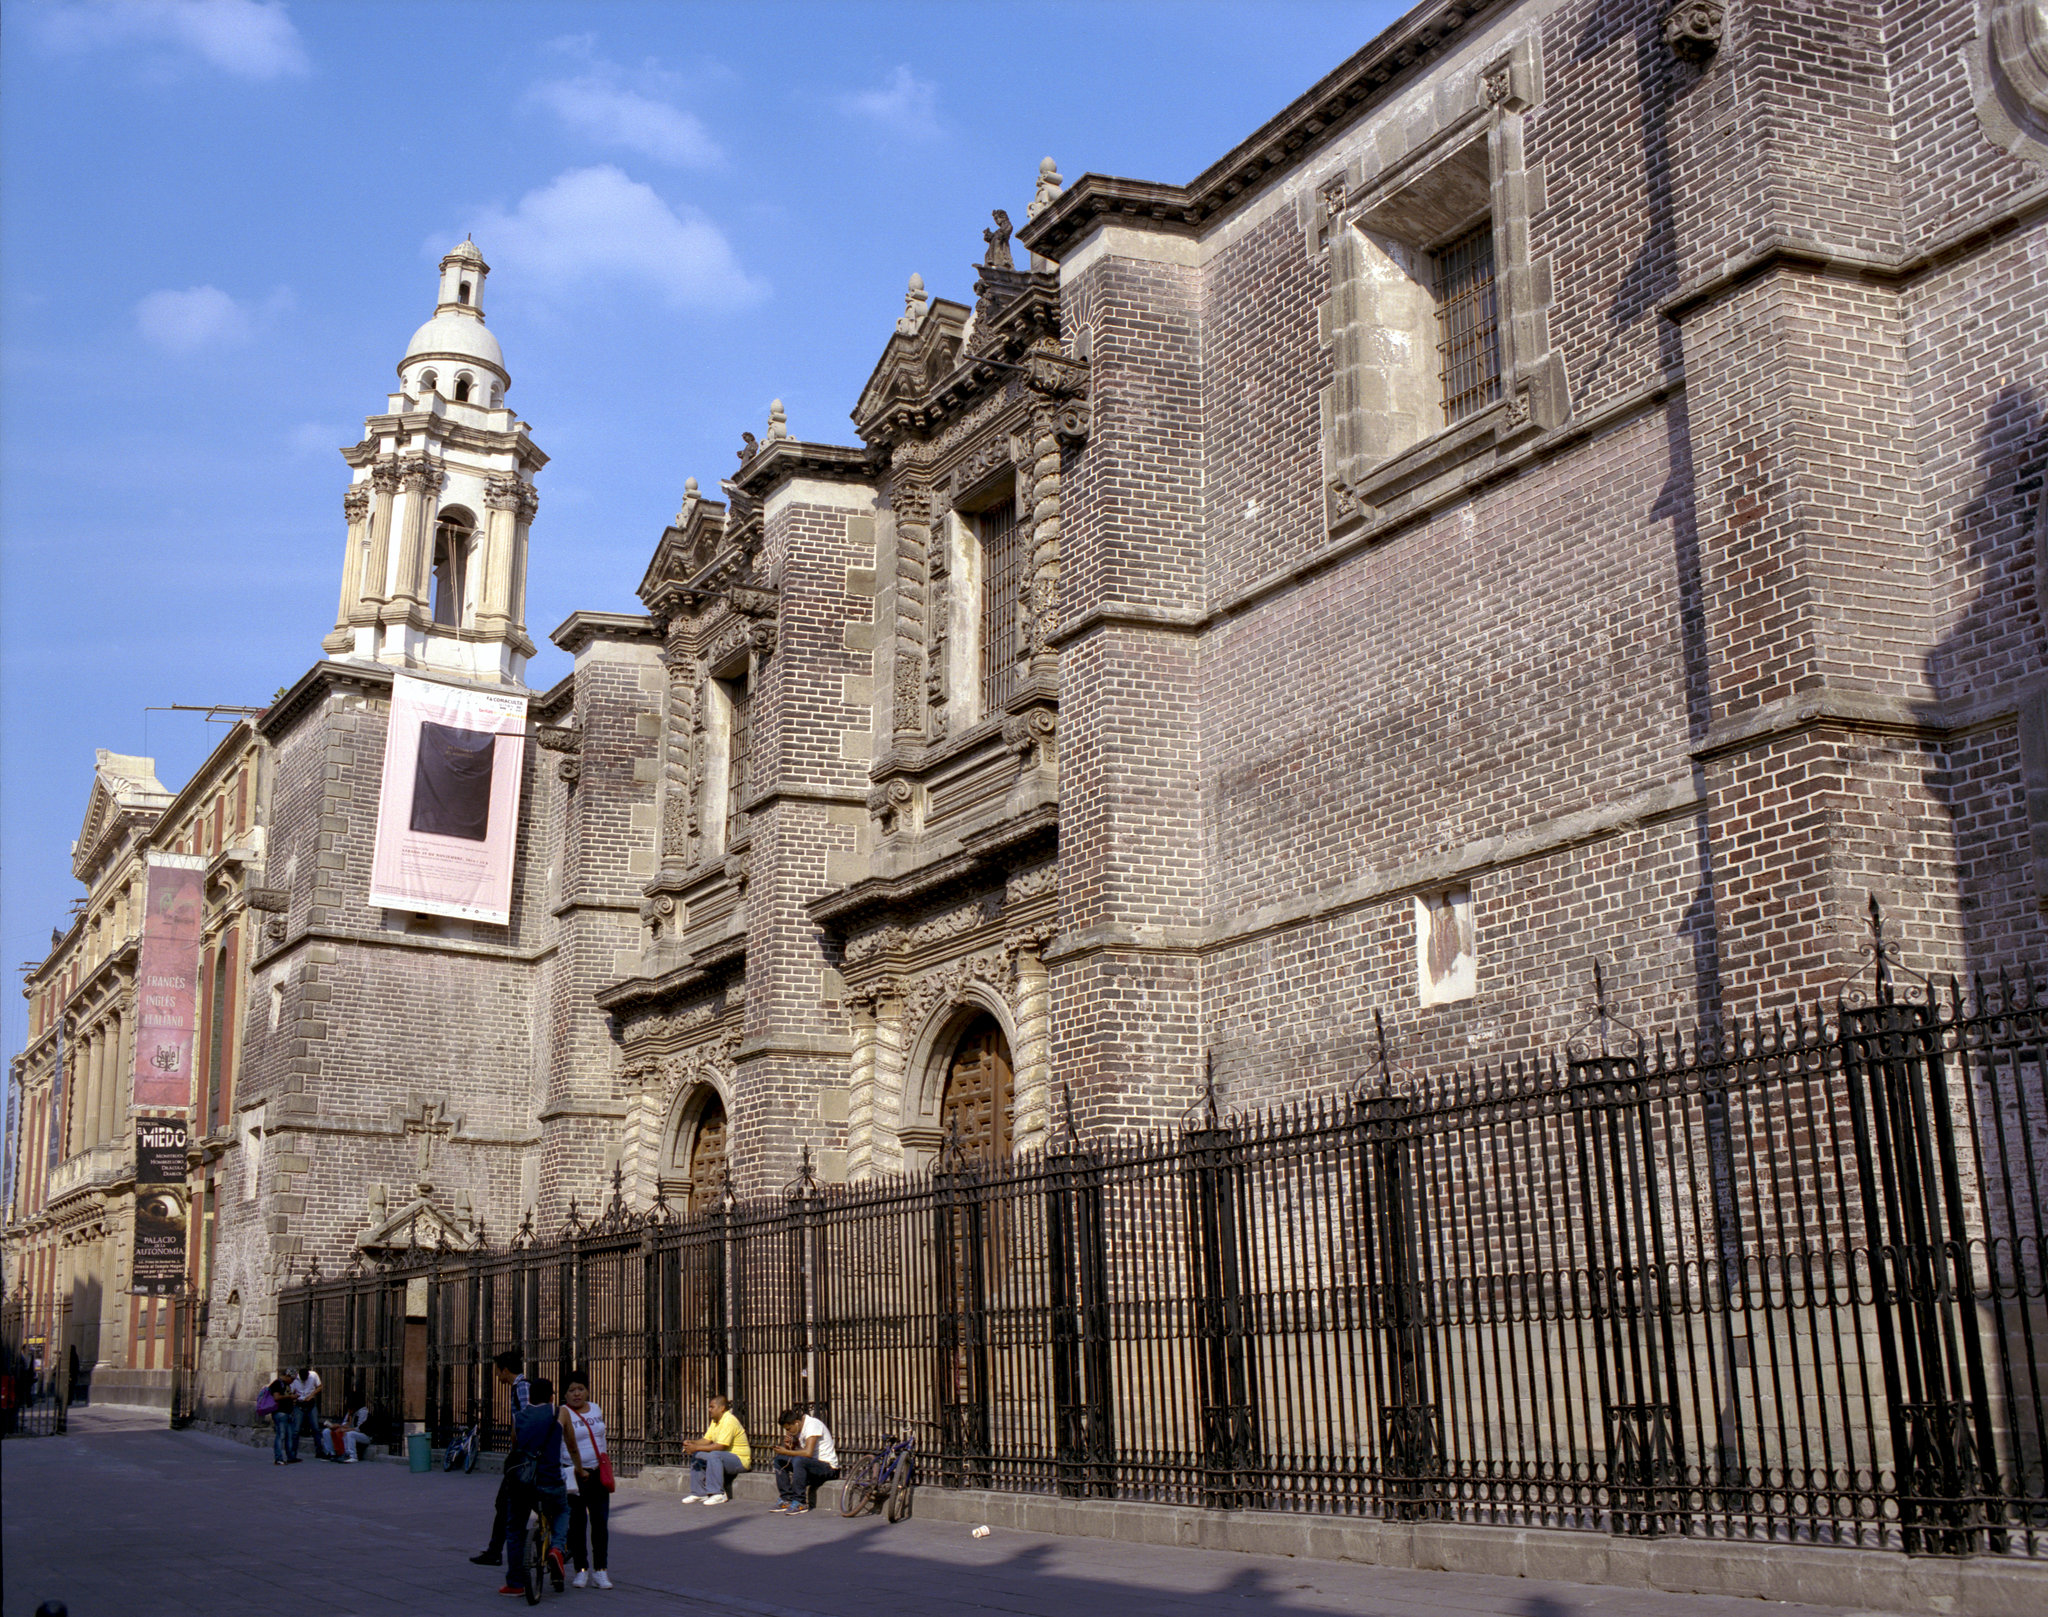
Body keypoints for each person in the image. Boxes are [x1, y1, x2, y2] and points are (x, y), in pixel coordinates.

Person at [497, 1376, 569, 1597]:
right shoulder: (558, 1412)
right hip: (550, 1480)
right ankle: (557, 1548)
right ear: (550, 1396)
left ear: (530, 1396)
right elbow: (572, 1446)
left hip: (523, 1483)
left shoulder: (519, 1417)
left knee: (514, 1527)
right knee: (562, 1510)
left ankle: (515, 1582)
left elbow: (516, 1446)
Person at [470, 1352, 534, 1568]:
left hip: (523, 1459)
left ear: (505, 1370)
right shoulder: (517, 1388)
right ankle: (497, 1549)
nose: (496, 1375)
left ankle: (504, 1550)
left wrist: (517, 1451)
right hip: (520, 1457)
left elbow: (526, 1419)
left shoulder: (522, 1387)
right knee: (506, 1504)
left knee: (512, 1504)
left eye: (497, 1370)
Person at [558, 1375, 613, 1589]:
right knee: (577, 1524)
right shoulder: (563, 1413)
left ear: (587, 1391)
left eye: (580, 1389)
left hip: (598, 1472)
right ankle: (581, 1569)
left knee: (600, 1522)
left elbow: (600, 1437)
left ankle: (601, 1570)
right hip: (574, 1472)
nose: (577, 1393)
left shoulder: (596, 1408)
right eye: (571, 1390)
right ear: (565, 1395)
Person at [680, 1392, 750, 1505]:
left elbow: (720, 1446)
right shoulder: (715, 1421)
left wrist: (696, 1447)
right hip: (723, 1458)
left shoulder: (729, 1421)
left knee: (714, 1454)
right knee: (697, 1455)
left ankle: (718, 1493)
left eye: (712, 1407)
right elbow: (707, 1440)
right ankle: (699, 1493)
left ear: (722, 1408)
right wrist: (692, 1443)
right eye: (709, 1407)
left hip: (740, 1460)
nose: (709, 1409)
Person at [771, 1406, 839, 1514]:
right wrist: (791, 1446)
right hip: (812, 1465)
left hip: (828, 1468)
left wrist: (786, 1452)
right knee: (779, 1460)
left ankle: (800, 1501)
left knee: (799, 1460)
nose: (788, 1432)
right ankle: (786, 1498)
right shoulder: (799, 1429)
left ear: (796, 1422)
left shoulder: (812, 1425)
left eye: (789, 1429)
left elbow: (808, 1453)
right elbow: (801, 1453)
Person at [325, 1389, 373, 1462]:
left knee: (350, 1434)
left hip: (364, 1435)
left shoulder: (363, 1412)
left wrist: (345, 1429)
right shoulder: (350, 1411)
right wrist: (337, 1426)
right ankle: (332, 1453)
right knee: (326, 1431)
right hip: (351, 1431)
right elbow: (345, 1423)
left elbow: (359, 1429)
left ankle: (351, 1455)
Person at [266, 1369, 301, 1465]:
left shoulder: (286, 1384)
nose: (293, 1381)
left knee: (289, 1436)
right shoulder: (277, 1384)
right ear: (287, 1376)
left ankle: (290, 1457)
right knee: (281, 1435)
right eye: (292, 1379)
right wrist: (290, 1397)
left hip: (288, 1413)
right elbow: (276, 1397)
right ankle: (278, 1458)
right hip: (280, 1413)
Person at [292, 1364, 323, 1448]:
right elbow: (291, 1391)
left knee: (315, 1428)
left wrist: (311, 1395)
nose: (304, 1380)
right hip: (300, 1403)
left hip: (310, 1403)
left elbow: (319, 1387)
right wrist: (295, 1398)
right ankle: (293, 1452)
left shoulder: (313, 1375)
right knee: (296, 1430)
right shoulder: (295, 1379)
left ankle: (319, 1450)